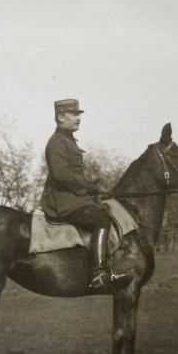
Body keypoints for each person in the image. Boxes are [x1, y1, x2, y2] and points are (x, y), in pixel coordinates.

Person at [40, 99, 129, 290]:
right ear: (61, 117)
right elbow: (61, 174)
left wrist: (91, 191)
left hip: (73, 199)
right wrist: (89, 187)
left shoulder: (68, 141)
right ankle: (98, 273)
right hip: (62, 203)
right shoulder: (56, 142)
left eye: (79, 114)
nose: (78, 118)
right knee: (101, 220)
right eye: (74, 114)